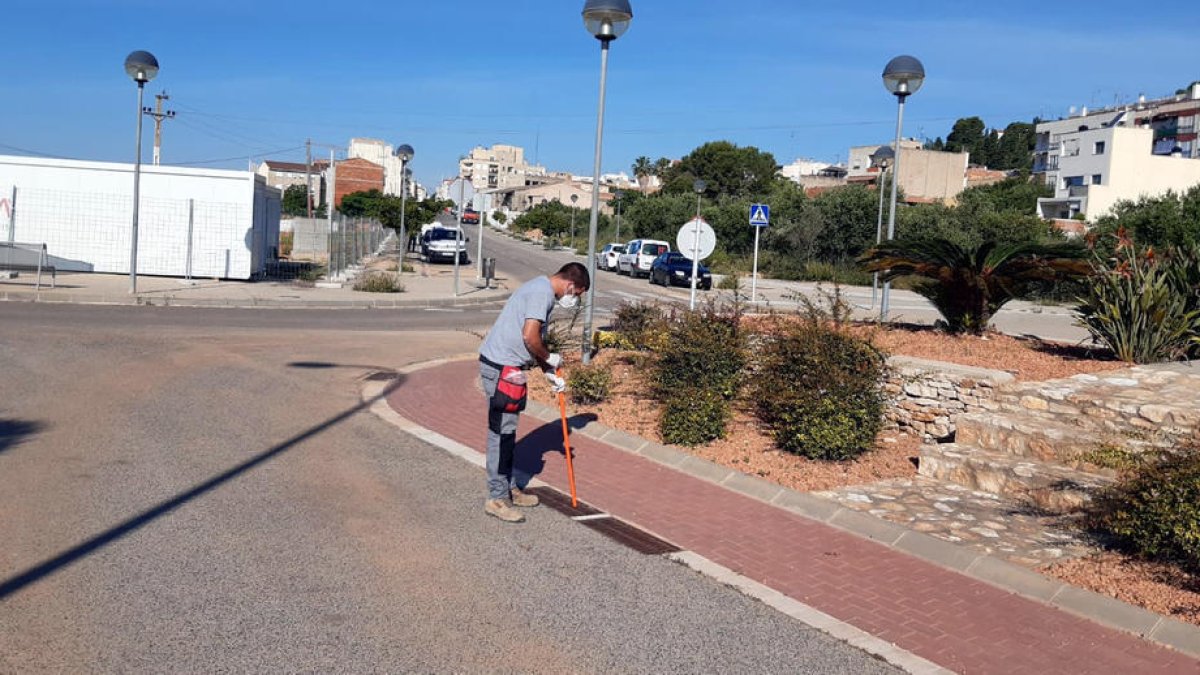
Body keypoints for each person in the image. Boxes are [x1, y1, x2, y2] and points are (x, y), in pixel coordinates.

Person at [477, 262, 589, 523]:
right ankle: (496, 498)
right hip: (499, 367)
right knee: (502, 433)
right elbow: (530, 337)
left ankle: (508, 488)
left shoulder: (540, 289)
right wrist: (550, 358)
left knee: (509, 430)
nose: (575, 299)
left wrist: (548, 371)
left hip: (509, 366)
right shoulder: (542, 294)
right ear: (571, 285)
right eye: (578, 294)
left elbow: (534, 340)